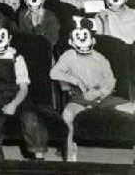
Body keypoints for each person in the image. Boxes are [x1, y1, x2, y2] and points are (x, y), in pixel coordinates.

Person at [50, 17, 135, 161]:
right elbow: (54, 73)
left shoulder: (100, 58)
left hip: (104, 95)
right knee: (67, 115)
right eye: (78, 38)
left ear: (93, 41)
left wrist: (100, 92)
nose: (82, 41)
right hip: (81, 96)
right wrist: (75, 80)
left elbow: (111, 80)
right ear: (71, 42)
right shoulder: (68, 56)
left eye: (86, 37)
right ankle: (70, 152)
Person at [0, 19, 48, 160]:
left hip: (18, 94)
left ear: (9, 38)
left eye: (3, 37)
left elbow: (24, 88)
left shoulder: (17, 57)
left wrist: (14, 104)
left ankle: (39, 158)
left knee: (31, 119)